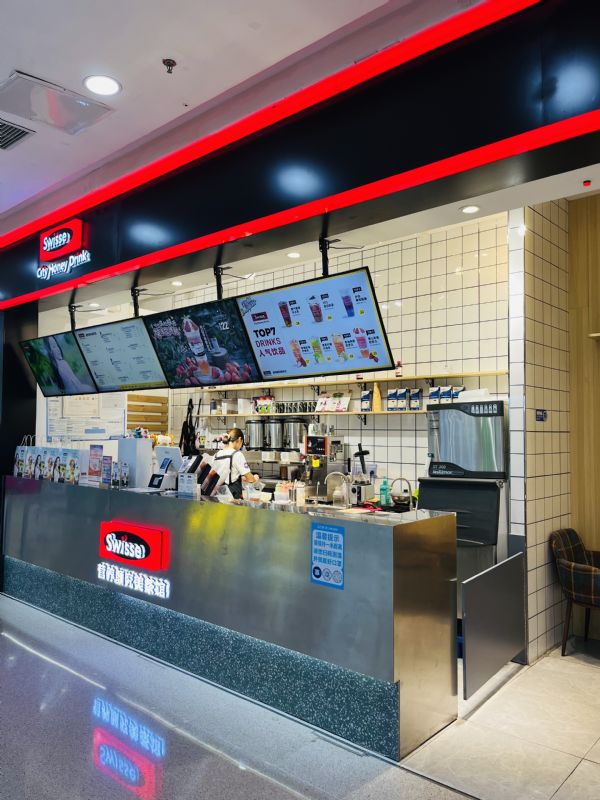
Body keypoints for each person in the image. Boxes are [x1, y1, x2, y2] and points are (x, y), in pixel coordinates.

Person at [214, 428, 260, 500]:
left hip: (218, 495)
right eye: (242, 443)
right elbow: (250, 478)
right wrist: (255, 478)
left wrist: (241, 478)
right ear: (240, 439)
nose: (241, 446)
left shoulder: (218, 454)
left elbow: (224, 475)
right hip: (232, 497)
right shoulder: (237, 454)